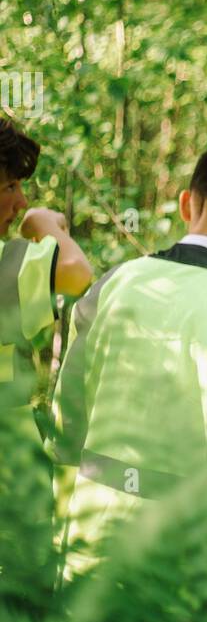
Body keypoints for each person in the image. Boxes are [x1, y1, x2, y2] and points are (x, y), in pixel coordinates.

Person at [50, 138, 207, 578]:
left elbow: (67, 424)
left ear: (188, 203)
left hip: (87, 549)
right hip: (196, 574)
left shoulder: (113, 285)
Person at [0, 116, 92, 448]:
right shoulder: (7, 264)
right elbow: (76, 273)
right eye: (10, 187)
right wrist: (45, 224)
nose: (21, 201)